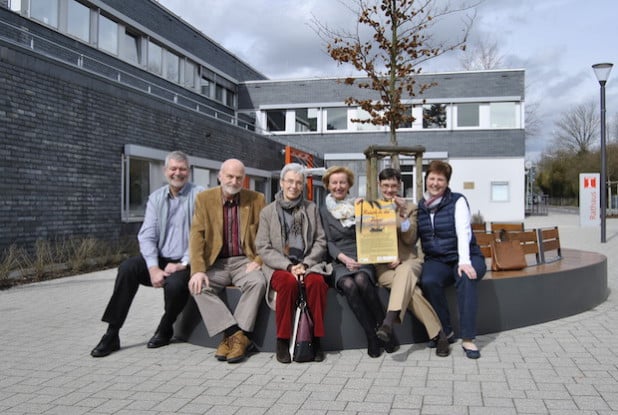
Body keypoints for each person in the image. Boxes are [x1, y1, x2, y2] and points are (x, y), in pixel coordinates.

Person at [91, 150, 204, 358]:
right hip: (160, 258)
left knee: (177, 285)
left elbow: (203, 235)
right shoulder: (156, 198)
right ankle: (112, 333)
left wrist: (184, 263)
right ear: (165, 171)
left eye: (182, 169)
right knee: (127, 268)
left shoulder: (200, 196)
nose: (177, 173)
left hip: (187, 260)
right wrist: (153, 267)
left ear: (189, 172)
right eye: (173, 169)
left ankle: (165, 327)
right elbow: (147, 235)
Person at [188, 159, 267, 364]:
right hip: (217, 263)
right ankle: (236, 334)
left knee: (258, 282)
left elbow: (267, 235)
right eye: (230, 176)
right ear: (220, 176)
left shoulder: (257, 199)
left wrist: (259, 260)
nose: (234, 181)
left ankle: (232, 340)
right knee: (197, 286)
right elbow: (197, 236)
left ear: (244, 179)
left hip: (244, 260)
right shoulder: (204, 199)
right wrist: (197, 270)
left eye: (239, 177)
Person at [256, 163, 331, 364]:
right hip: (280, 266)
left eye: (298, 182)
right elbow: (262, 246)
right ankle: (282, 340)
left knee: (317, 284)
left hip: (308, 264)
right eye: (290, 181)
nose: (294, 186)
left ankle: (316, 339)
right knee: (288, 285)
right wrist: (288, 267)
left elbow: (320, 241)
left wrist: (305, 265)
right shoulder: (268, 212)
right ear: (281, 183)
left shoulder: (311, 208)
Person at [373, 168, 450, 357]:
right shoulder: (371, 208)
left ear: (399, 185)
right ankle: (440, 335)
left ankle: (389, 320)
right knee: (412, 291)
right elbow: (369, 241)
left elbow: (410, 238)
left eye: (393, 185)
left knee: (405, 270)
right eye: (386, 186)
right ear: (379, 185)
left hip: (409, 261)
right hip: (385, 268)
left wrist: (402, 214)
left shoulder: (411, 208)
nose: (390, 190)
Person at [417, 160, 487, 359]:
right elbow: (411, 233)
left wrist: (464, 261)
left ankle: (468, 338)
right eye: (432, 178)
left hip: (465, 256)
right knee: (429, 281)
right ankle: (445, 331)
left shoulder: (457, 200)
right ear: (426, 180)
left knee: (466, 278)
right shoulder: (421, 206)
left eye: (441, 179)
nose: (435, 183)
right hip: (438, 260)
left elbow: (463, 231)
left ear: (447, 182)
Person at [319, 166, 386, 358]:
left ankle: (384, 328)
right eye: (334, 183)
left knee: (362, 281)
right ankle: (371, 335)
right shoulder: (323, 210)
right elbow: (328, 242)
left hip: (363, 255)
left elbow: (373, 232)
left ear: (349, 185)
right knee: (349, 284)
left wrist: (367, 210)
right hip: (339, 260)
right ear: (328, 185)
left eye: (342, 182)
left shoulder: (360, 205)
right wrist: (345, 259)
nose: (338, 186)